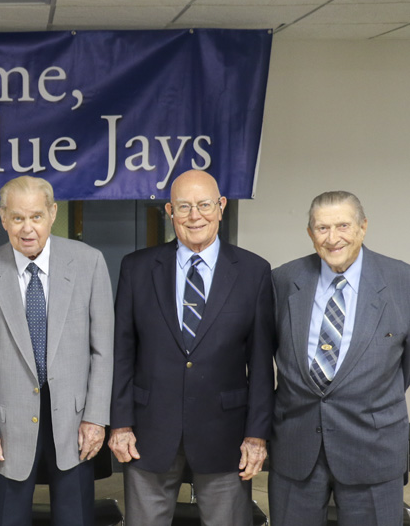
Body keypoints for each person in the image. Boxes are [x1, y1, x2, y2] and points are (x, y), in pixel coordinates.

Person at [109, 169, 275, 525]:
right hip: (148, 433)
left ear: (221, 207)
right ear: (169, 211)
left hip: (226, 435)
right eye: (184, 207)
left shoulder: (253, 271)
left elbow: (261, 363)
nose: (194, 215)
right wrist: (120, 423)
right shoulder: (136, 269)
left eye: (203, 205)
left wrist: (256, 435)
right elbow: (122, 353)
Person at [0, 175, 114, 526]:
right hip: (6, 428)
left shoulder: (89, 264)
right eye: (17, 218)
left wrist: (95, 417)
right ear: (3, 218)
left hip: (75, 423)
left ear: (52, 213)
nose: (27, 228)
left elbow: (103, 351)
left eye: (36, 217)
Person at [270, 191, 410, 525]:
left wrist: (368, 397)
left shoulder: (402, 281)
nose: (333, 238)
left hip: (372, 446)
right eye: (322, 228)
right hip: (296, 447)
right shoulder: (283, 280)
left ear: (363, 227)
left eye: (343, 226)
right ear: (310, 233)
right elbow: (267, 352)